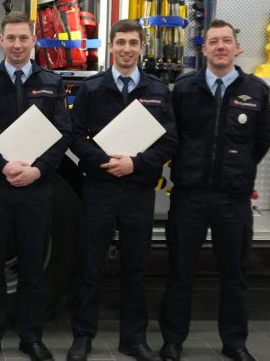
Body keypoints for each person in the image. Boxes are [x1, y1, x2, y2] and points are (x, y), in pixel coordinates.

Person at [157, 20, 270, 361]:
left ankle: (235, 342)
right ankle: (173, 341)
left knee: (234, 275)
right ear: (203, 49)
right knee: (179, 272)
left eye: (226, 41)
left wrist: (238, 170)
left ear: (238, 48)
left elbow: (262, 140)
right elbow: (172, 137)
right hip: (189, 195)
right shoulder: (185, 89)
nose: (220, 46)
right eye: (213, 41)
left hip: (232, 199)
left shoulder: (256, 90)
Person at [0, 11, 73, 361]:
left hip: (37, 189)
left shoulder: (52, 83)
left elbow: (62, 134)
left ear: (33, 40)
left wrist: (39, 170)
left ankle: (31, 336)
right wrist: (2, 165)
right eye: (11, 38)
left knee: (32, 267)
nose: (17, 44)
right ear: (1, 41)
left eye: (23, 38)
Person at [66, 19, 177, 361]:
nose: (127, 48)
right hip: (99, 188)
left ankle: (133, 338)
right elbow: (74, 135)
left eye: (133, 42)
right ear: (110, 47)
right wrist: (103, 161)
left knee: (136, 268)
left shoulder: (158, 91)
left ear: (141, 47)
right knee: (89, 266)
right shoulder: (93, 89)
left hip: (137, 191)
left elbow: (169, 140)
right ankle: (83, 336)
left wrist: (135, 164)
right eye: (121, 42)